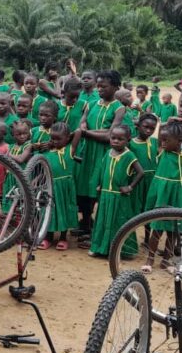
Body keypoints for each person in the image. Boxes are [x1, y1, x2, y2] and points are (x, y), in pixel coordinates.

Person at [75, 70, 126, 246]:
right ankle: (86, 226)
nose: (99, 89)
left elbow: (110, 136)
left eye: (103, 86)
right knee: (84, 189)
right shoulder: (92, 104)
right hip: (87, 151)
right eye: (98, 86)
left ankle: (96, 231)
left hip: (104, 154)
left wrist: (86, 132)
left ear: (116, 87)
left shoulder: (119, 108)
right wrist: (86, 129)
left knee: (98, 189)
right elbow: (82, 122)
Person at [142, 121, 182, 272]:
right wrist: (169, 122)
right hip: (163, 195)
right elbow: (161, 130)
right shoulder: (163, 151)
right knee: (157, 228)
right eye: (162, 139)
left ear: (180, 140)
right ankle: (150, 259)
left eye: (167, 140)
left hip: (179, 196)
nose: (163, 142)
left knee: (174, 231)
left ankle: (166, 260)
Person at [89, 125, 144, 257]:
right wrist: (100, 185)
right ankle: (100, 248)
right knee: (102, 222)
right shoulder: (108, 153)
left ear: (128, 140)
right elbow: (104, 170)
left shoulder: (129, 155)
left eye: (120, 139)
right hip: (106, 195)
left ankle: (122, 251)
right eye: (113, 138)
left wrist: (130, 187)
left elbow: (141, 172)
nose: (115, 141)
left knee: (118, 222)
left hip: (119, 197)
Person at [41, 122, 81, 250]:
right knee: (50, 211)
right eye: (52, 138)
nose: (55, 141)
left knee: (65, 210)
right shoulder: (47, 151)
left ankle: (63, 237)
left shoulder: (70, 150)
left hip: (65, 188)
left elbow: (79, 131)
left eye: (59, 139)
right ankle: (48, 237)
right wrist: (50, 142)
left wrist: (69, 135)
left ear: (68, 138)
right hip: (51, 186)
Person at [128, 113, 159, 214]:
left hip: (152, 181)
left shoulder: (155, 141)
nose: (149, 130)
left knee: (150, 208)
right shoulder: (130, 143)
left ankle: (148, 229)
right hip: (137, 180)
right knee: (135, 209)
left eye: (152, 128)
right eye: (146, 127)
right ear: (138, 126)